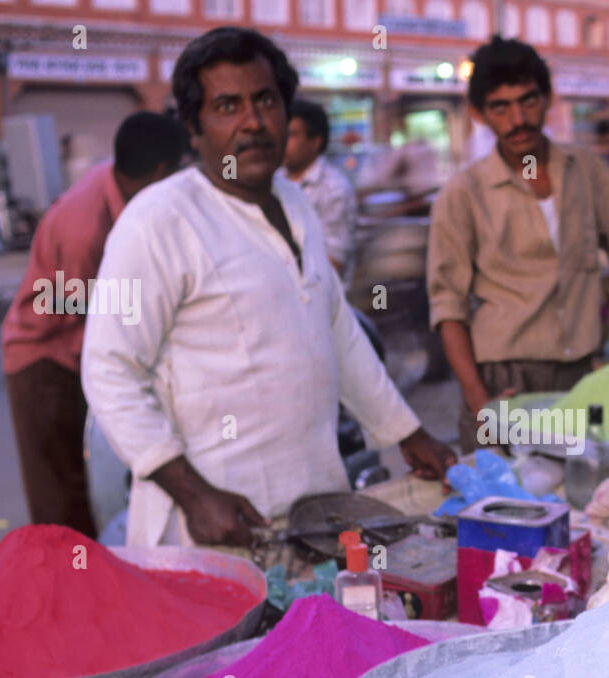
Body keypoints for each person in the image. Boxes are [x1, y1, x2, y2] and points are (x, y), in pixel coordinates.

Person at [82, 27, 454, 552]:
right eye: (227, 106)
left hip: (315, 514)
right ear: (194, 126)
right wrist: (194, 495)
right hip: (215, 527)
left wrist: (407, 433)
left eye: (265, 101)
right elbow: (108, 370)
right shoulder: (159, 220)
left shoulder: (296, 203)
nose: (253, 123)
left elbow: (340, 335)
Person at [428, 35, 609, 453]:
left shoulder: (585, 170)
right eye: (500, 107)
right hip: (504, 378)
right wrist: (481, 403)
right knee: (508, 499)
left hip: (580, 373)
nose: (518, 119)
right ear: (481, 115)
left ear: (548, 98)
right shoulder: (463, 194)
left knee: (580, 495)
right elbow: (448, 306)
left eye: (528, 101)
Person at [1, 112, 189, 537]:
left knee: (96, 484)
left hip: (78, 347)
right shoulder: (84, 229)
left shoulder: (124, 184)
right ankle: (70, 589)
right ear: (161, 171)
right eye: (179, 172)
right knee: (62, 495)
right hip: (45, 358)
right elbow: (82, 310)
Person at [281, 99, 357, 279]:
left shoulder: (334, 189)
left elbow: (334, 261)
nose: (283, 142)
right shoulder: (276, 178)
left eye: (291, 135)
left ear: (315, 142)